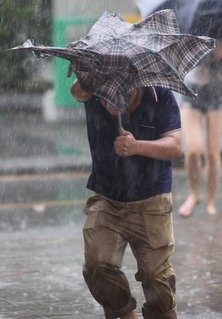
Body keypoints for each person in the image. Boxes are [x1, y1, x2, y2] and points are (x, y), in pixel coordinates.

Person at [70, 78, 182, 319]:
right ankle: (124, 312)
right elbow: (76, 91)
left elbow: (174, 145)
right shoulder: (96, 91)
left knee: (156, 276)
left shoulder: (159, 95)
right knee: (96, 266)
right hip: (108, 198)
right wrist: (95, 78)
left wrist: (137, 146)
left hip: (152, 199)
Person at [177, 39, 222, 218]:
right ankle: (194, 194)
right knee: (193, 150)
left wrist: (220, 51)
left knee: (212, 152)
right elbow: (181, 61)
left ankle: (210, 201)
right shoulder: (189, 30)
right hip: (191, 91)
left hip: (217, 94)